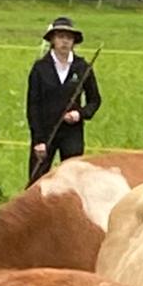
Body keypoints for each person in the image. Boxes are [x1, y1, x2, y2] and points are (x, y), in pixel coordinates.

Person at [26, 16, 101, 182]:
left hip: (72, 134)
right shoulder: (40, 68)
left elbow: (94, 101)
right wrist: (38, 140)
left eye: (69, 38)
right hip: (45, 133)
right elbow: (33, 105)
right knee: (37, 181)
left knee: (73, 180)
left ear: (74, 41)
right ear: (52, 39)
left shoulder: (82, 67)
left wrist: (80, 114)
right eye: (60, 37)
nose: (65, 41)